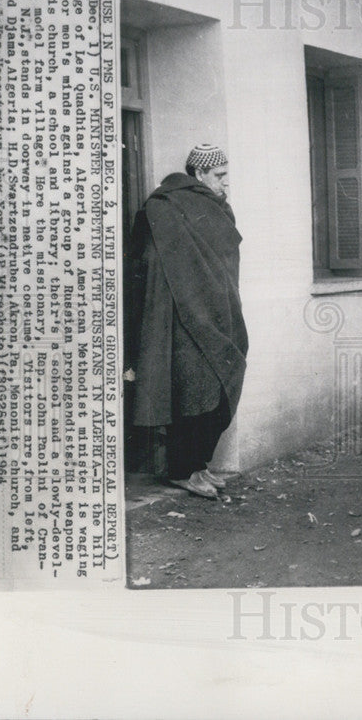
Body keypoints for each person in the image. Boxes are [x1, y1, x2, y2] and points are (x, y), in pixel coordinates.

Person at [125, 144, 248, 499]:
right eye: (219, 176)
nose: (226, 183)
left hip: (218, 311)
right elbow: (146, 265)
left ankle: (197, 465)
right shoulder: (163, 207)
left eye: (227, 175)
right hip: (179, 315)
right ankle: (182, 470)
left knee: (219, 388)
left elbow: (223, 260)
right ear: (197, 175)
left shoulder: (214, 206)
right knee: (191, 394)